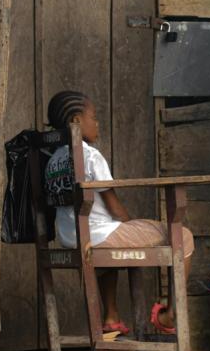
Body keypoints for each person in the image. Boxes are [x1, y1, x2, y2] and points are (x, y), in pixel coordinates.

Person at [44, 90, 193, 336]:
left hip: (71, 237)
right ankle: (170, 315)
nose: (97, 122)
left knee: (110, 239)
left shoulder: (53, 160)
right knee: (183, 235)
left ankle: (111, 317)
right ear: (77, 122)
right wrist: (132, 224)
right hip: (99, 236)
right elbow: (115, 208)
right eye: (93, 117)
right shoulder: (90, 156)